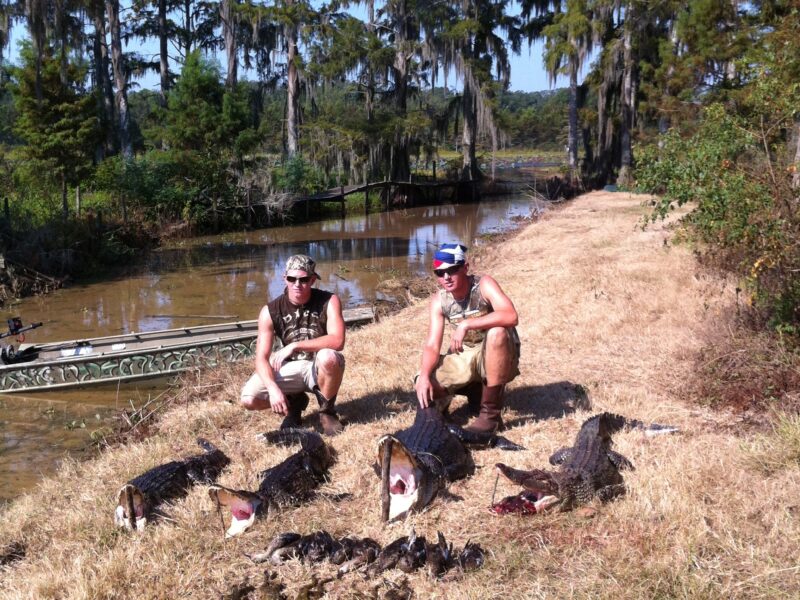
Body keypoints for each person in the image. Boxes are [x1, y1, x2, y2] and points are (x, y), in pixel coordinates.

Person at [414, 242, 520, 433]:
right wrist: (423, 375)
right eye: (440, 273)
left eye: (452, 270)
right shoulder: (439, 300)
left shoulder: (484, 284)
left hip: (496, 350)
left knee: (497, 332)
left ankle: (491, 417)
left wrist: (467, 324)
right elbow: (432, 344)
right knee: (425, 384)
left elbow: (511, 315)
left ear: (465, 267)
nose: (446, 277)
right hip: (466, 353)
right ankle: (471, 391)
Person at [240, 254, 346, 435]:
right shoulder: (269, 311)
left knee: (328, 357)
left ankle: (327, 411)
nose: (297, 284)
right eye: (292, 279)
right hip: (290, 367)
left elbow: (338, 340)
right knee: (249, 399)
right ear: (285, 279)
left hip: (317, 366)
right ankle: (294, 404)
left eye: (303, 279)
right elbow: (261, 359)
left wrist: (295, 345)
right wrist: (273, 389)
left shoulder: (329, 301)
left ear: (312, 280)